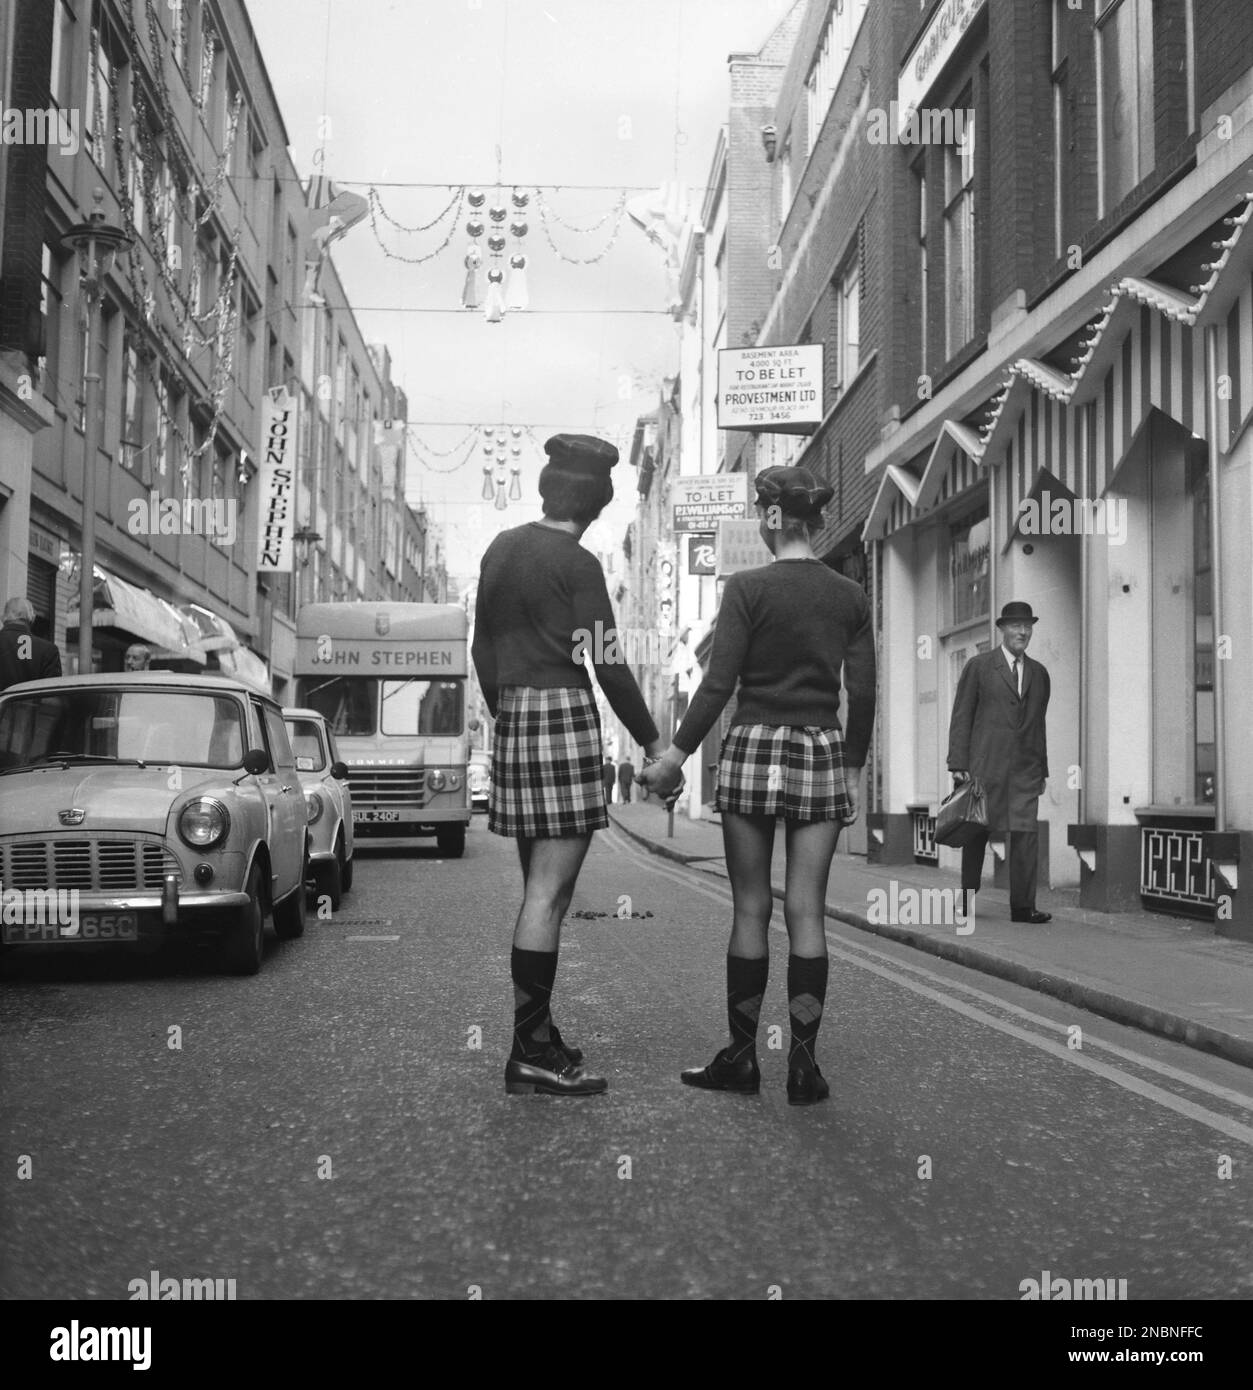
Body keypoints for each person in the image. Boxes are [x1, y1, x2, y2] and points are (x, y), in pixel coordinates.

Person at [640, 466, 876, 1106]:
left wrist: (676, 758)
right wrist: (852, 771)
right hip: (821, 750)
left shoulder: (745, 588)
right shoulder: (850, 596)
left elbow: (718, 684)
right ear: (817, 521)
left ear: (773, 519)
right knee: (807, 911)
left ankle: (742, 1059)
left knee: (751, 908)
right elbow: (865, 690)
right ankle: (803, 1067)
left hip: (751, 749)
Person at [472, 433, 667, 1098]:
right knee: (547, 897)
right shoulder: (577, 563)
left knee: (537, 890)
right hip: (562, 718)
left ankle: (541, 1034)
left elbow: (482, 648)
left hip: (517, 719)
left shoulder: (500, 549)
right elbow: (606, 660)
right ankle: (529, 1051)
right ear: (596, 502)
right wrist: (651, 741)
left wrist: (508, 714)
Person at [946, 601, 1051, 923]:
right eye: (1016, 626)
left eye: (1027, 626)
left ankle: (1023, 907)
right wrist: (957, 762)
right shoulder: (979, 667)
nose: (1022, 632)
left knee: (1025, 835)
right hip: (984, 766)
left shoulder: (1039, 673)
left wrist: (1042, 769)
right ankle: (966, 899)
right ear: (1002, 629)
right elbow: (962, 715)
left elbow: (1038, 724)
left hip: (1025, 770)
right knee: (976, 833)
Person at [0, 597, 62, 691]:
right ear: (32, 618)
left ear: (2, 618)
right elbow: (52, 695)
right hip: (33, 705)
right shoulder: (49, 650)